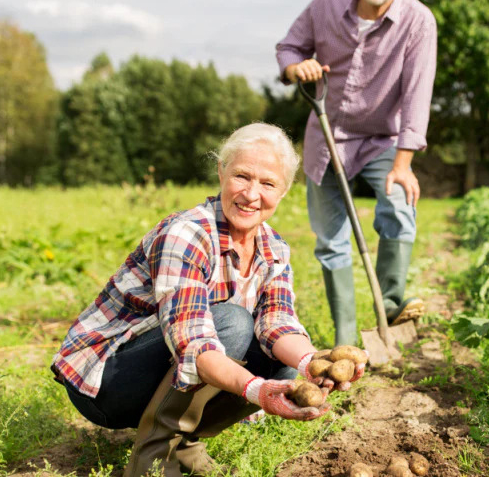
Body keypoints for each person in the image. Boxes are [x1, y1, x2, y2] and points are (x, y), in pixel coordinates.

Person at [50, 123, 365, 477]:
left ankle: (185, 444)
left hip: (166, 366)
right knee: (232, 324)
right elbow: (195, 343)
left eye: (268, 183)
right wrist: (258, 392)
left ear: (285, 190)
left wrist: (312, 363)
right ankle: (152, 459)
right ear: (221, 171)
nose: (251, 194)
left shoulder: (274, 247)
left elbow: (278, 322)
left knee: (286, 365)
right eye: (242, 176)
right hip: (105, 380)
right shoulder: (186, 234)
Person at [275, 0, 437, 346]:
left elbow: (418, 94)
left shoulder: (418, 21)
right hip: (326, 140)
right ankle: (347, 342)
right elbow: (289, 49)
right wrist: (298, 69)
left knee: (399, 206)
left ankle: (393, 304)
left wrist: (404, 164)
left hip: (383, 139)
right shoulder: (325, 4)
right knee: (331, 241)